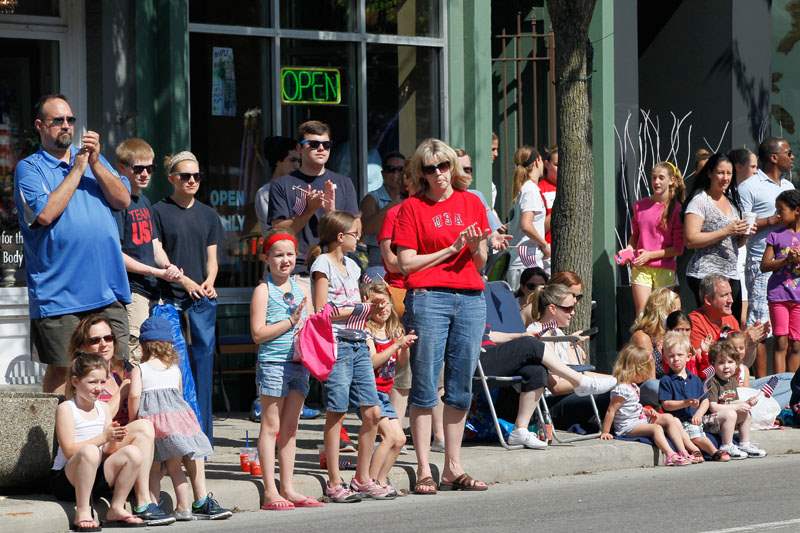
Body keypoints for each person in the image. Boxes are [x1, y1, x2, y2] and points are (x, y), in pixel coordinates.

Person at [14, 94, 131, 394]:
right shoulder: (30, 168)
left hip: (106, 287)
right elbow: (45, 213)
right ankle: (56, 439)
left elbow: (122, 199)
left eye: (70, 120)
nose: (67, 126)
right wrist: (78, 169)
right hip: (59, 294)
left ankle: (109, 435)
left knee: (116, 366)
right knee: (64, 371)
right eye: (58, 121)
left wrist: (94, 163)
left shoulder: (93, 160)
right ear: (41, 126)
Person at [394, 138, 490, 494]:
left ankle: (453, 466)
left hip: (470, 296)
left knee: (461, 386)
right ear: (421, 173)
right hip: (428, 296)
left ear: (453, 167)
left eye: (444, 166)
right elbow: (406, 263)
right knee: (424, 385)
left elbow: (480, 262)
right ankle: (423, 468)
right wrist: (450, 249)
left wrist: (474, 246)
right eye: (431, 168)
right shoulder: (412, 208)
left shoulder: (471, 202)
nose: (439, 174)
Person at [309, 211, 390, 502]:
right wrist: (359, 310)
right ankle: (334, 481)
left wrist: (369, 306)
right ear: (340, 237)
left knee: (372, 412)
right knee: (337, 412)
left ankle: (362, 477)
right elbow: (321, 312)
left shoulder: (353, 267)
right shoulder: (322, 264)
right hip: (337, 344)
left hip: (357, 341)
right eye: (354, 234)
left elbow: (354, 305)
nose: (359, 238)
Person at [67, 315, 172, 525]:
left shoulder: (122, 371)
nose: (103, 344)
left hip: (123, 449)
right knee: (141, 428)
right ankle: (141, 499)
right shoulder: (80, 379)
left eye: (108, 338)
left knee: (145, 426)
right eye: (95, 340)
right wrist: (122, 394)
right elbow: (100, 414)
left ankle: (144, 499)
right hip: (96, 451)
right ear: (82, 346)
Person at [128, 316, 233, 520]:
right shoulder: (174, 369)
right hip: (180, 422)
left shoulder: (139, 370)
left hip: (154, 424)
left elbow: (134, 396)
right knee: (176, 467)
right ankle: (184, 507)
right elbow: (179, 395)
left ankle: (154, 504)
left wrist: (134, 420)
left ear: (143, 345)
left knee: (154, 468)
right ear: (169, 344)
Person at [151, 151, 223, 443]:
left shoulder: (208, 214)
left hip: (200, 300)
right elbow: (159, 254)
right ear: (172, 179)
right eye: (185, 176)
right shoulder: (158, 211)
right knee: (172, 369)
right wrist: (183, 279)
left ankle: (203, 434)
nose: (192, 180)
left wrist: (209, 281)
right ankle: (174, 436)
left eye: (196, 176)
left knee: (202, 366)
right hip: (169, 298)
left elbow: (213, 257)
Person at [248, 231, 322, 510]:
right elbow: (257, 334)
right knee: (271, 426)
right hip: (274, 363)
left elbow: (313, 324)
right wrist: (291, 322)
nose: (285, 260)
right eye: (278, 255)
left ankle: (288, 487)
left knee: (291, 428)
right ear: (266, 259)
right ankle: (270, 491)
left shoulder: (303, 287)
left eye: (289, 254)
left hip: (300, 364)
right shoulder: (263, 290)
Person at [480, 322, 616, 449]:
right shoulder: (462, 303)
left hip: (488, 354)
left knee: (536, 370)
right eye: (567, 308)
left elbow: (488, 334)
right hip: (475, 360)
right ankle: (579, 381)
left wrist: (520, 336)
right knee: (531, 345)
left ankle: (520, 430)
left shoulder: (473, 304)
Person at [52, 353, 145, 531]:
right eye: (92, 382)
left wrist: (113, 439)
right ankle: (83, 510)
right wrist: (103, 437)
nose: (98, 388)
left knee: (133, 453)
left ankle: (116, 507)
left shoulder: (103, 408)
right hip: (67, 479)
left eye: (102, 382)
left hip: (95, 475)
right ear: (75, 382)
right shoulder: (66, 408)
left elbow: (107, 452)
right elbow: (69, 450)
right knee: (90, 451)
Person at [113, 138, 182, 362]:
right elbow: (117, 254)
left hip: (152, 291)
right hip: (131, 290)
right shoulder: (118, 203)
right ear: (122, 168)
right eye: (138, 168)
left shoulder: (144, 201)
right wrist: (156, 272)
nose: (145, 174)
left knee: (153, 353)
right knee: (133, 354)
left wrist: (168, 267)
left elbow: (154, 245)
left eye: (150, 168)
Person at [267, 120, 359, 279]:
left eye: (326, 144)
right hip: (298, 270)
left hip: (336, 268)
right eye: (314, 144)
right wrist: (309, 210)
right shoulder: (281, 185)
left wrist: (332, 212)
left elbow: (356, 229)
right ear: (299, 148)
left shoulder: (344, 183)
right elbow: (279, 233)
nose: (321, 148)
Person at [740, 138, 795, 376]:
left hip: (792, 268)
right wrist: (772, 221)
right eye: (788, 153)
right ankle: (762, 383)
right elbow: (743, 226)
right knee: (761, 324)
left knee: (790, 332)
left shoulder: (788, 185)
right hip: (762, 262)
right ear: (774, 157)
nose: (792, 157)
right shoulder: (749, 186)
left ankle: (791, 385)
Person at [600, 344, 700, 466]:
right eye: (643, 372)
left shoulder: (633, 386)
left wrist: (646, 411)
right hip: (627, 427)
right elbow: (611, 411)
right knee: (656, 428)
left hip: (638, 420)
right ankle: (670, 455)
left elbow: (631, 407)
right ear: (635, 370)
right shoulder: (622, 389)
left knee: (669, 418)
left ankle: (683, 451)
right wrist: (605, 431)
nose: (645, 376)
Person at [362, 281, 415, 494]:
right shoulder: (367, 331)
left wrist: (404, 349)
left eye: (385, 303)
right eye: (376, 304)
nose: (382, 308)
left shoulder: (393, 329)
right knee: (390, 437)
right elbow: (373, 361)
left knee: (400, 439)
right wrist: (396, 345)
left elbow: (401, 365)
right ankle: (369, 481)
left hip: (384, 392)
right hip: (370, 391)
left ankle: (381, 480)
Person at [683, 153, 749, 319]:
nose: (725, 177)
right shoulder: (700, 201)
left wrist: (744, 233)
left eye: (729, 173)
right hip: (706, 274)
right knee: (713, 327)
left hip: (731, 274)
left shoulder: (732, 202)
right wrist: (726, 231)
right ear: (709, 173)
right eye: (720, 172)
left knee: (731, 329)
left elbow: (735, 244)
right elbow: (690, 240)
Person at [659, 332, 732, 461]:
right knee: (694, 435)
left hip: (696, 419)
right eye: (671, 356)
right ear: (665, 359)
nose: (675, 359)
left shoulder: (695, 379)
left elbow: (705, 400)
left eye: (680, 355)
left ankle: (718, 448)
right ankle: (707, 452)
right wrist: (685, 403)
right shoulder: (666, 380)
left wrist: (698, 414)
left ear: (688, 357)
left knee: (698, 432)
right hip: (678, 421)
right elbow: (666, 404)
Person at [624, 162, 685, 315]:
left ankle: (660, 340)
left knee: (662, 313)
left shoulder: (676, 209)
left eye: (661, 178)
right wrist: (629, 250)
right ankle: (641, 339)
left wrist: (650, 255)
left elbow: (678, 249)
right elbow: (635, 235)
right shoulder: (640, 206)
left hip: (664, 268)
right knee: (642, 312)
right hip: (641, 267)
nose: (656, 182)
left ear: (671, 180)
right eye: (654, 178)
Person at [687, 275, 768, 370]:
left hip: (733, 380)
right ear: (708, 300)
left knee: (783, 378)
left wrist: (751, 344)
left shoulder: (730, 319)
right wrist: (743, 339)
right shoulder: (694, 322)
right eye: (724, 295)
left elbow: (743, 364)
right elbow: (706, 367)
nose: (731, 300)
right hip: (710, 383)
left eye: (730, 294)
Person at [759, 189, 800, 373]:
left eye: (781, 210)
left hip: (798, 298)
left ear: (796, 210)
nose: (777, 215)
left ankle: (794, 390)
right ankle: (778, 386)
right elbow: (764, 265)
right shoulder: (775, 236)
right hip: (778, 296)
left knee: (796, 344)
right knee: (781, 341)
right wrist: (786, 260)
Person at [706, 340, 767, 458]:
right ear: (713, 364)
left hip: (723, 420)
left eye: (730, 362)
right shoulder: (712, 381)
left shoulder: (732, 381)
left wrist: (746, 403)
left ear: (736, 364)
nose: (726, 366)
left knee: (746, 413)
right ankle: (726, 445)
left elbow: (732, 402)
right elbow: (712, 407)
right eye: (721, 362)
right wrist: (737, 406)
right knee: (731, 414)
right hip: (709, 421)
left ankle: (744, 444)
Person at [507, 146, 549, 290]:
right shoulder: (530, 190)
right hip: (527, 261)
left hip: (521, 261)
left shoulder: (523, 189)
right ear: (538, 161)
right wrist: (544, 244)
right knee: (530, 310)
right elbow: (526, 225)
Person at [728, 147, 759, 325]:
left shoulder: (754, 191)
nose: (756, 171)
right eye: (753, 167)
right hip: (733, 256)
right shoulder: (728, 195)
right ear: (738, 167)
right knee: (736, 314)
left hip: (748, 254)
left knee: (746, 315)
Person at [360, 151, 405, 267]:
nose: (396, 174)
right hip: (378, 258)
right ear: (383, 173)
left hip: (406, 253)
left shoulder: (412, 197)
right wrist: (395, 204)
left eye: (401, 170)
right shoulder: (371, 198)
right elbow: (366, 229)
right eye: (391, 169)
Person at [255, 136, 301, 235]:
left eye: (299, 161)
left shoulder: (300, 189)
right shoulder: (265, 193)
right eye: (292, 160)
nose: (297, 166)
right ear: (278, 161)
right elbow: (277, 231)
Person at [455, 148, 503, 233]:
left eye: (467, 170)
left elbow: (492, 230)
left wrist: (494, 237)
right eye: (459, 170)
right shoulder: (441, 199)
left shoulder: (477, 196)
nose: (464, 174)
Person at [540, 145, 558, 245]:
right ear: (546, 164)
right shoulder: (540, 190)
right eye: (557, 164)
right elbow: (537, 228)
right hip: (548, 251)